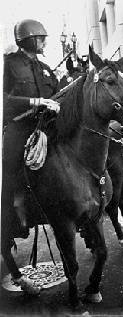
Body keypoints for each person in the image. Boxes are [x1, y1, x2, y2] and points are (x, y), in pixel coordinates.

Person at [2, 19, 60, 293]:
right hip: (19, 126)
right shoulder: (10, 64)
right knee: (11, 167)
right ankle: (13, 210)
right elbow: (3, 99)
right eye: (40, 38)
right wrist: (34, 102)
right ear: (29, 40)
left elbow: (58, 92)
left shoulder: (45, 66)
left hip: (45, 126)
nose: (44, 42)